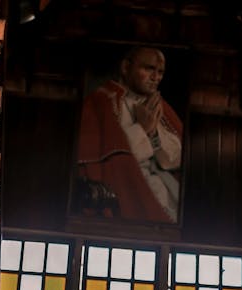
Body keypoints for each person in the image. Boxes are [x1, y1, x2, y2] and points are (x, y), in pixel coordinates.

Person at [76, 46, 183, 223]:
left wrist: (154, 132)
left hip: (161, 189)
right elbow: (111, 155)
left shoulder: (158, 105)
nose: (155, 78)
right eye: (149, 69)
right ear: (126, 67)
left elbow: (175, 159)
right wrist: (142, 128)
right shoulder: (101, 101)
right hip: (123, 187)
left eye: (160, 72)